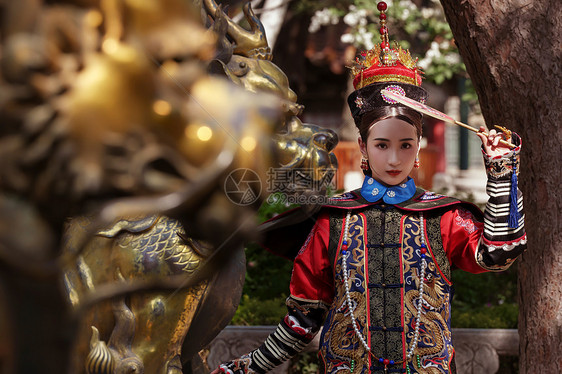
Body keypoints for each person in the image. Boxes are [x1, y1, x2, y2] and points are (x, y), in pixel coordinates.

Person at [212, 2, 526, 373]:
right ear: (363, 147)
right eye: (382, 145)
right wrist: (250, 367)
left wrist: (502, 170)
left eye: (405, 145)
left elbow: (498, 253)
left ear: (418, 148)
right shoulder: (333, 221)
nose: (394, 158)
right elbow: (302, 319)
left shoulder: (443, 217)